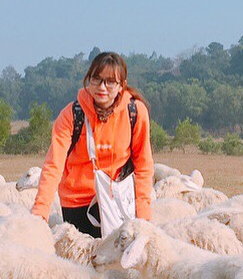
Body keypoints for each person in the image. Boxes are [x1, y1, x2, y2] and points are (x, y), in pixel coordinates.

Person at [31, 51, 153, 236]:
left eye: (110, 81)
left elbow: (143, 165)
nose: (102, 87)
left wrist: (144, 217)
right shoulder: (72, 115)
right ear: (88, 80)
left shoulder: (135, 112)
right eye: (96, 79)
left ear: (121, 85)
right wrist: (40, 213)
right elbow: (53, 165)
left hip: (117, 201)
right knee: (83, 254)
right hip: (78, 203)